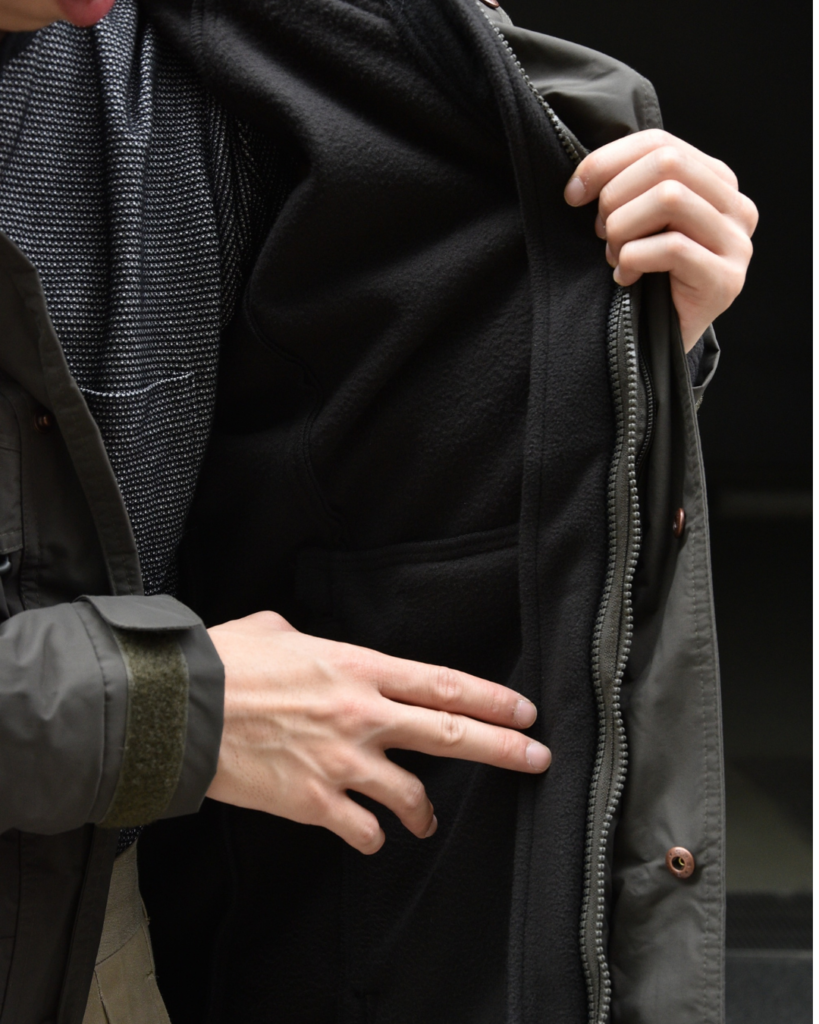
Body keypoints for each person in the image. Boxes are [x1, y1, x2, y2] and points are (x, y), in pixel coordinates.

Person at [0, 0, 756, 1022]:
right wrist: (162, 709)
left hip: (107, 932)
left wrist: (613, 344)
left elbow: (375, 454)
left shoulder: (221, 59)